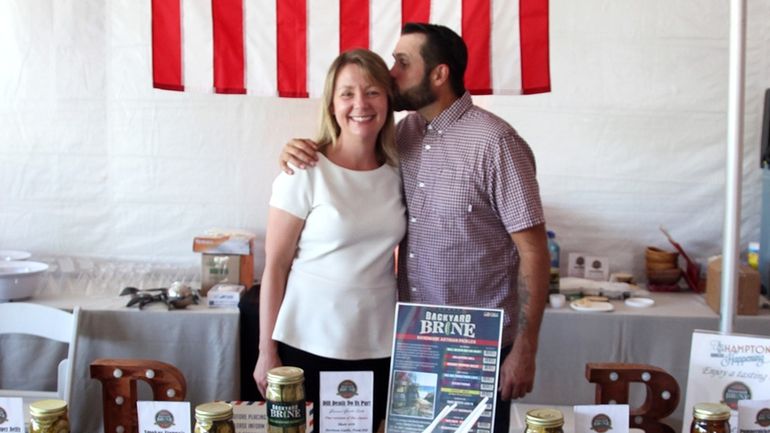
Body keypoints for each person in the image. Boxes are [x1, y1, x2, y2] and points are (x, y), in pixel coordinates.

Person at [280, 23, 550, 433]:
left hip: (476, 345)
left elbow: (533, 251)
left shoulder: (496, 143)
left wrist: (525, 349)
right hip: (415, 342)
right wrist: (301, 148)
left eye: (402, 63)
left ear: (438, 75)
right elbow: (349, 159)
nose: (390, 73)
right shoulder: (402, 137)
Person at [253, 48, 406, 432]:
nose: (360, 104)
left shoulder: (397, 171)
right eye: (347, 93)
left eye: (372, 91)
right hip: (307, 340)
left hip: (378, 341)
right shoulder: (304, 170)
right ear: (332, 103)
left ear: (387, 99)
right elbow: (275, 267)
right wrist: (265, 351)